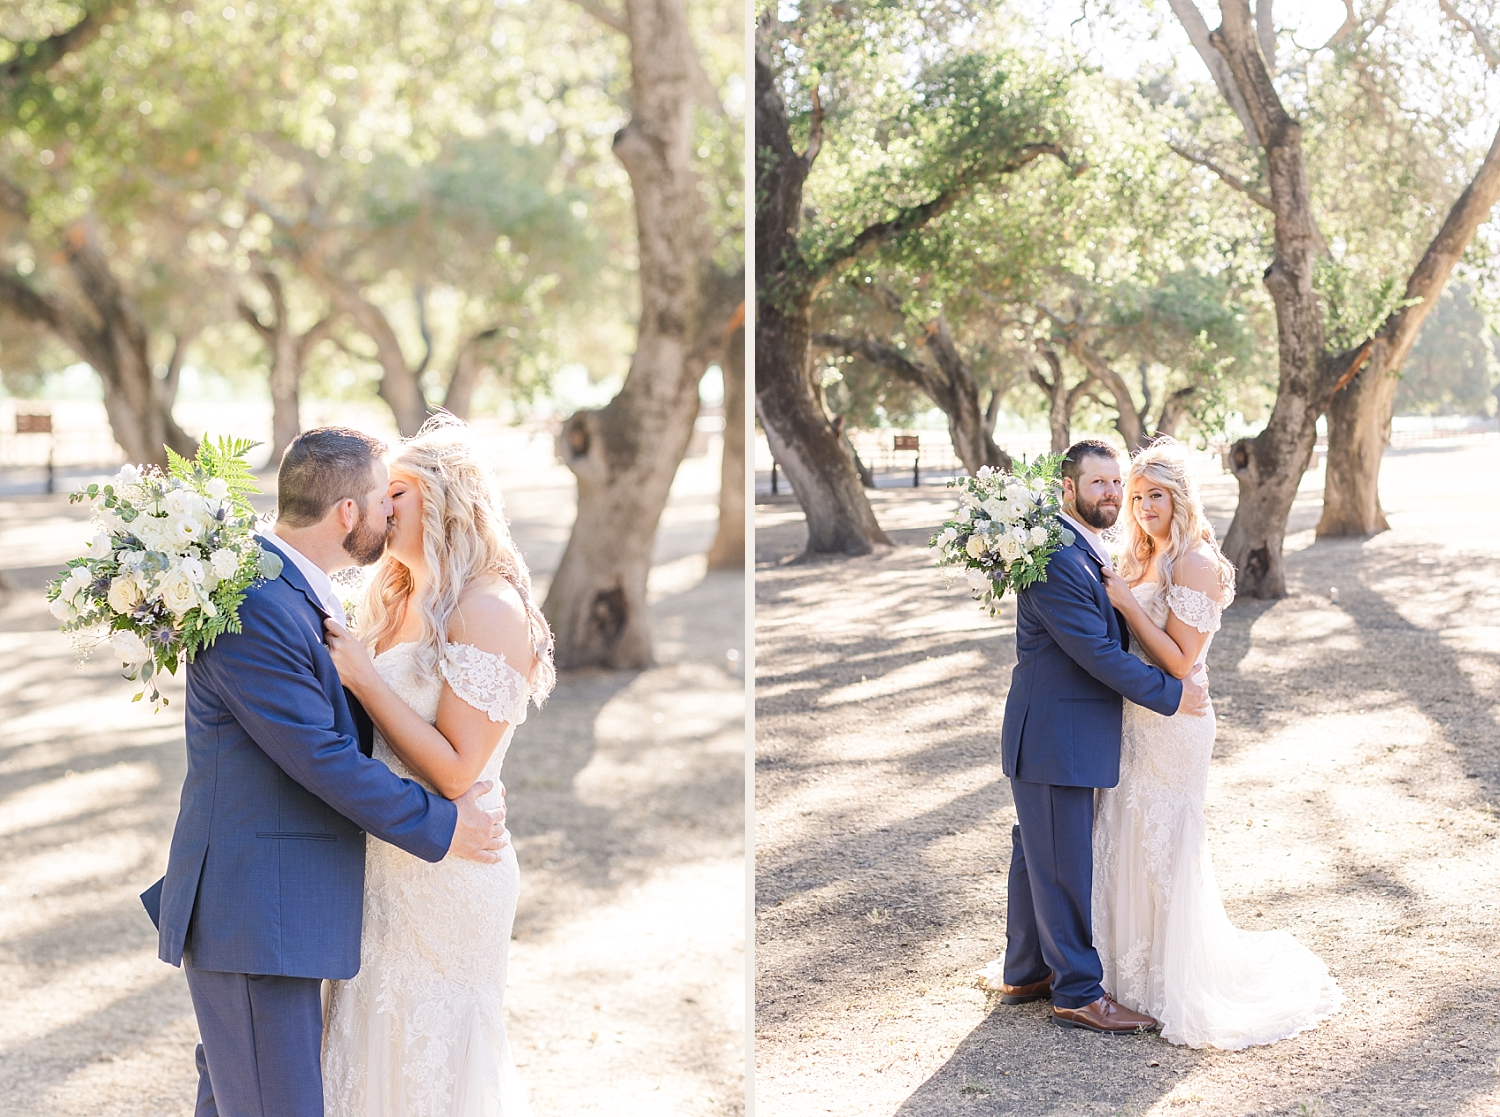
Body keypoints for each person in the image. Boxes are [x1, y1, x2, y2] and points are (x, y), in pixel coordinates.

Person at [141, 426, 508, 1117]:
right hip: (256, 915)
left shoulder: (293, 589)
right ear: (346, 513)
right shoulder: (254, 604)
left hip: (278, 912)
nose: (389, 515)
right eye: (381, 499)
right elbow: (322, 758)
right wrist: (446, 825)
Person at [320, 416, 556, 1116]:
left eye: (395, 491)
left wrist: (365, 677)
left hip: (451, 873)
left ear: (446, 497)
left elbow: (456, 772)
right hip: (381, 868)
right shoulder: (391, 598)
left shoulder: (487, 606)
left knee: (431, 1065)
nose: (380, 508)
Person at [1094, 437, 1342, 1048]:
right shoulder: (1141, 551)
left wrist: (1127, 603)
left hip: (1176, 721)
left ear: (1180, 497)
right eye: (1137, 496)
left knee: (1163, 836)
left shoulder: (1198, 564)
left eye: (1156, 496)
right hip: (1135, 716)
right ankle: (1117, 973)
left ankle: (1170, 979)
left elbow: (1181, 662)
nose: (1145, 507)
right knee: (1124, 824)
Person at [992, 438, 1211, 1033]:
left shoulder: (1080, 546)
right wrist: (1173, 694)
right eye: (1101, 484)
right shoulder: (1060, 557)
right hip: (1054, 735)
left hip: (1060, 732)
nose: (1114, 494)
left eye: (1119, 483)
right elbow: (1094, 651)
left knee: (1035, 852)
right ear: (1069, 488)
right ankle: (1078, 994)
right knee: (1059, 860)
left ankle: (1026, 970)